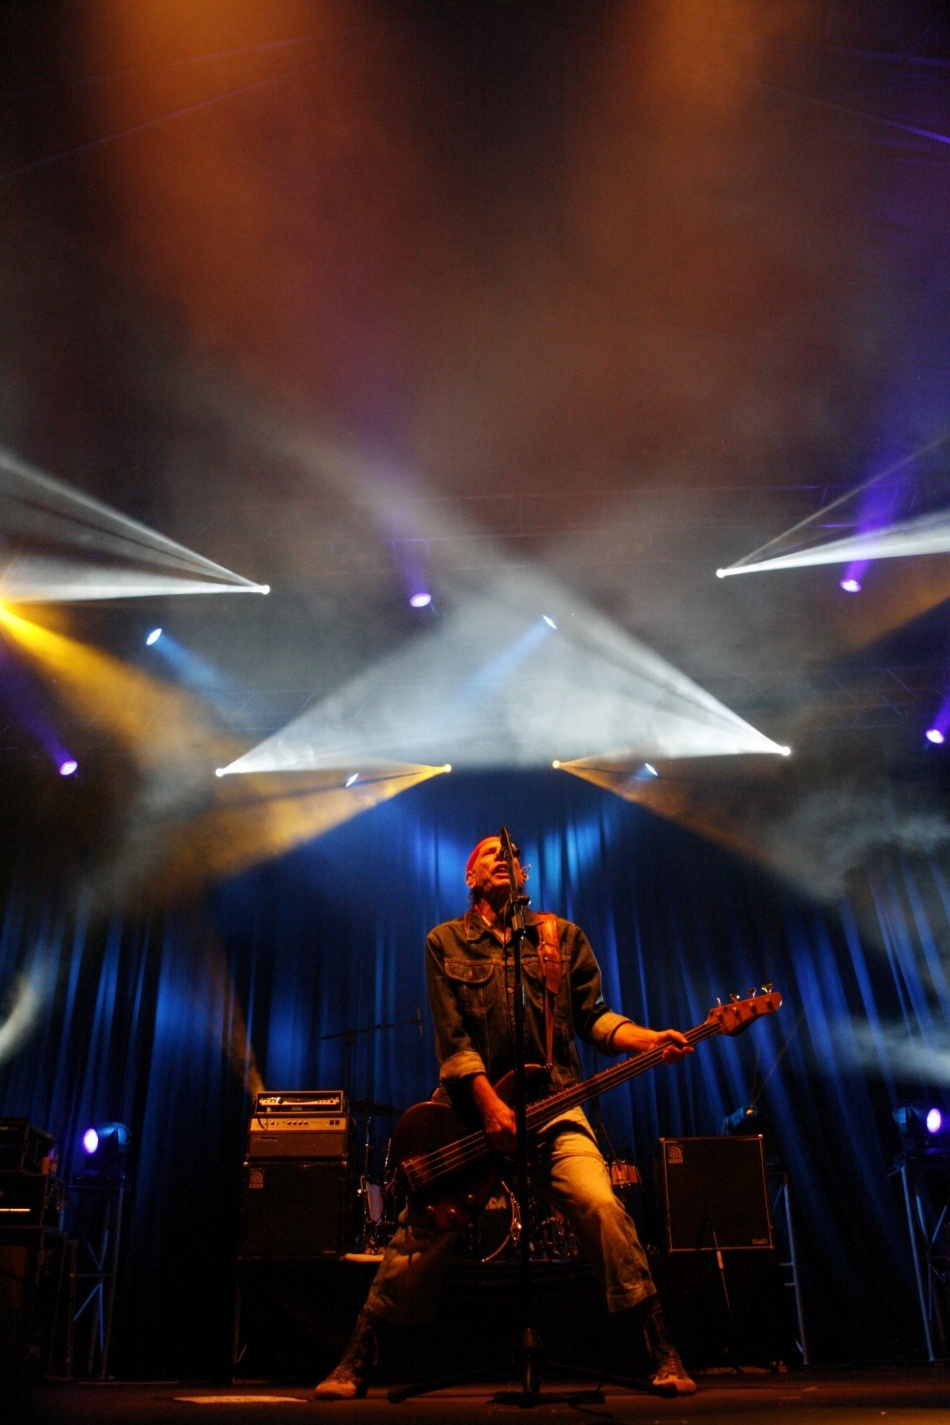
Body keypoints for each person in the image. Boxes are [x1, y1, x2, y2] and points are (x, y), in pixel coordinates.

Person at [315, 834, 696, 1399]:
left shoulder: (560, 938)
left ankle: (659, 1347)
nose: (505, 859)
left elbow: (593, 1018)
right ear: (470, 878)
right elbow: (453, 1040)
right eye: (492, 853)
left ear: (525, 874)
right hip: (469, 1109)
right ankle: (358, 1357)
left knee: (600, 1205)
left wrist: (645, 1040)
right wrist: (490, 1107)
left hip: (554, 1105)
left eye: (513, 855)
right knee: (423, 1229)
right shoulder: (444, 941)